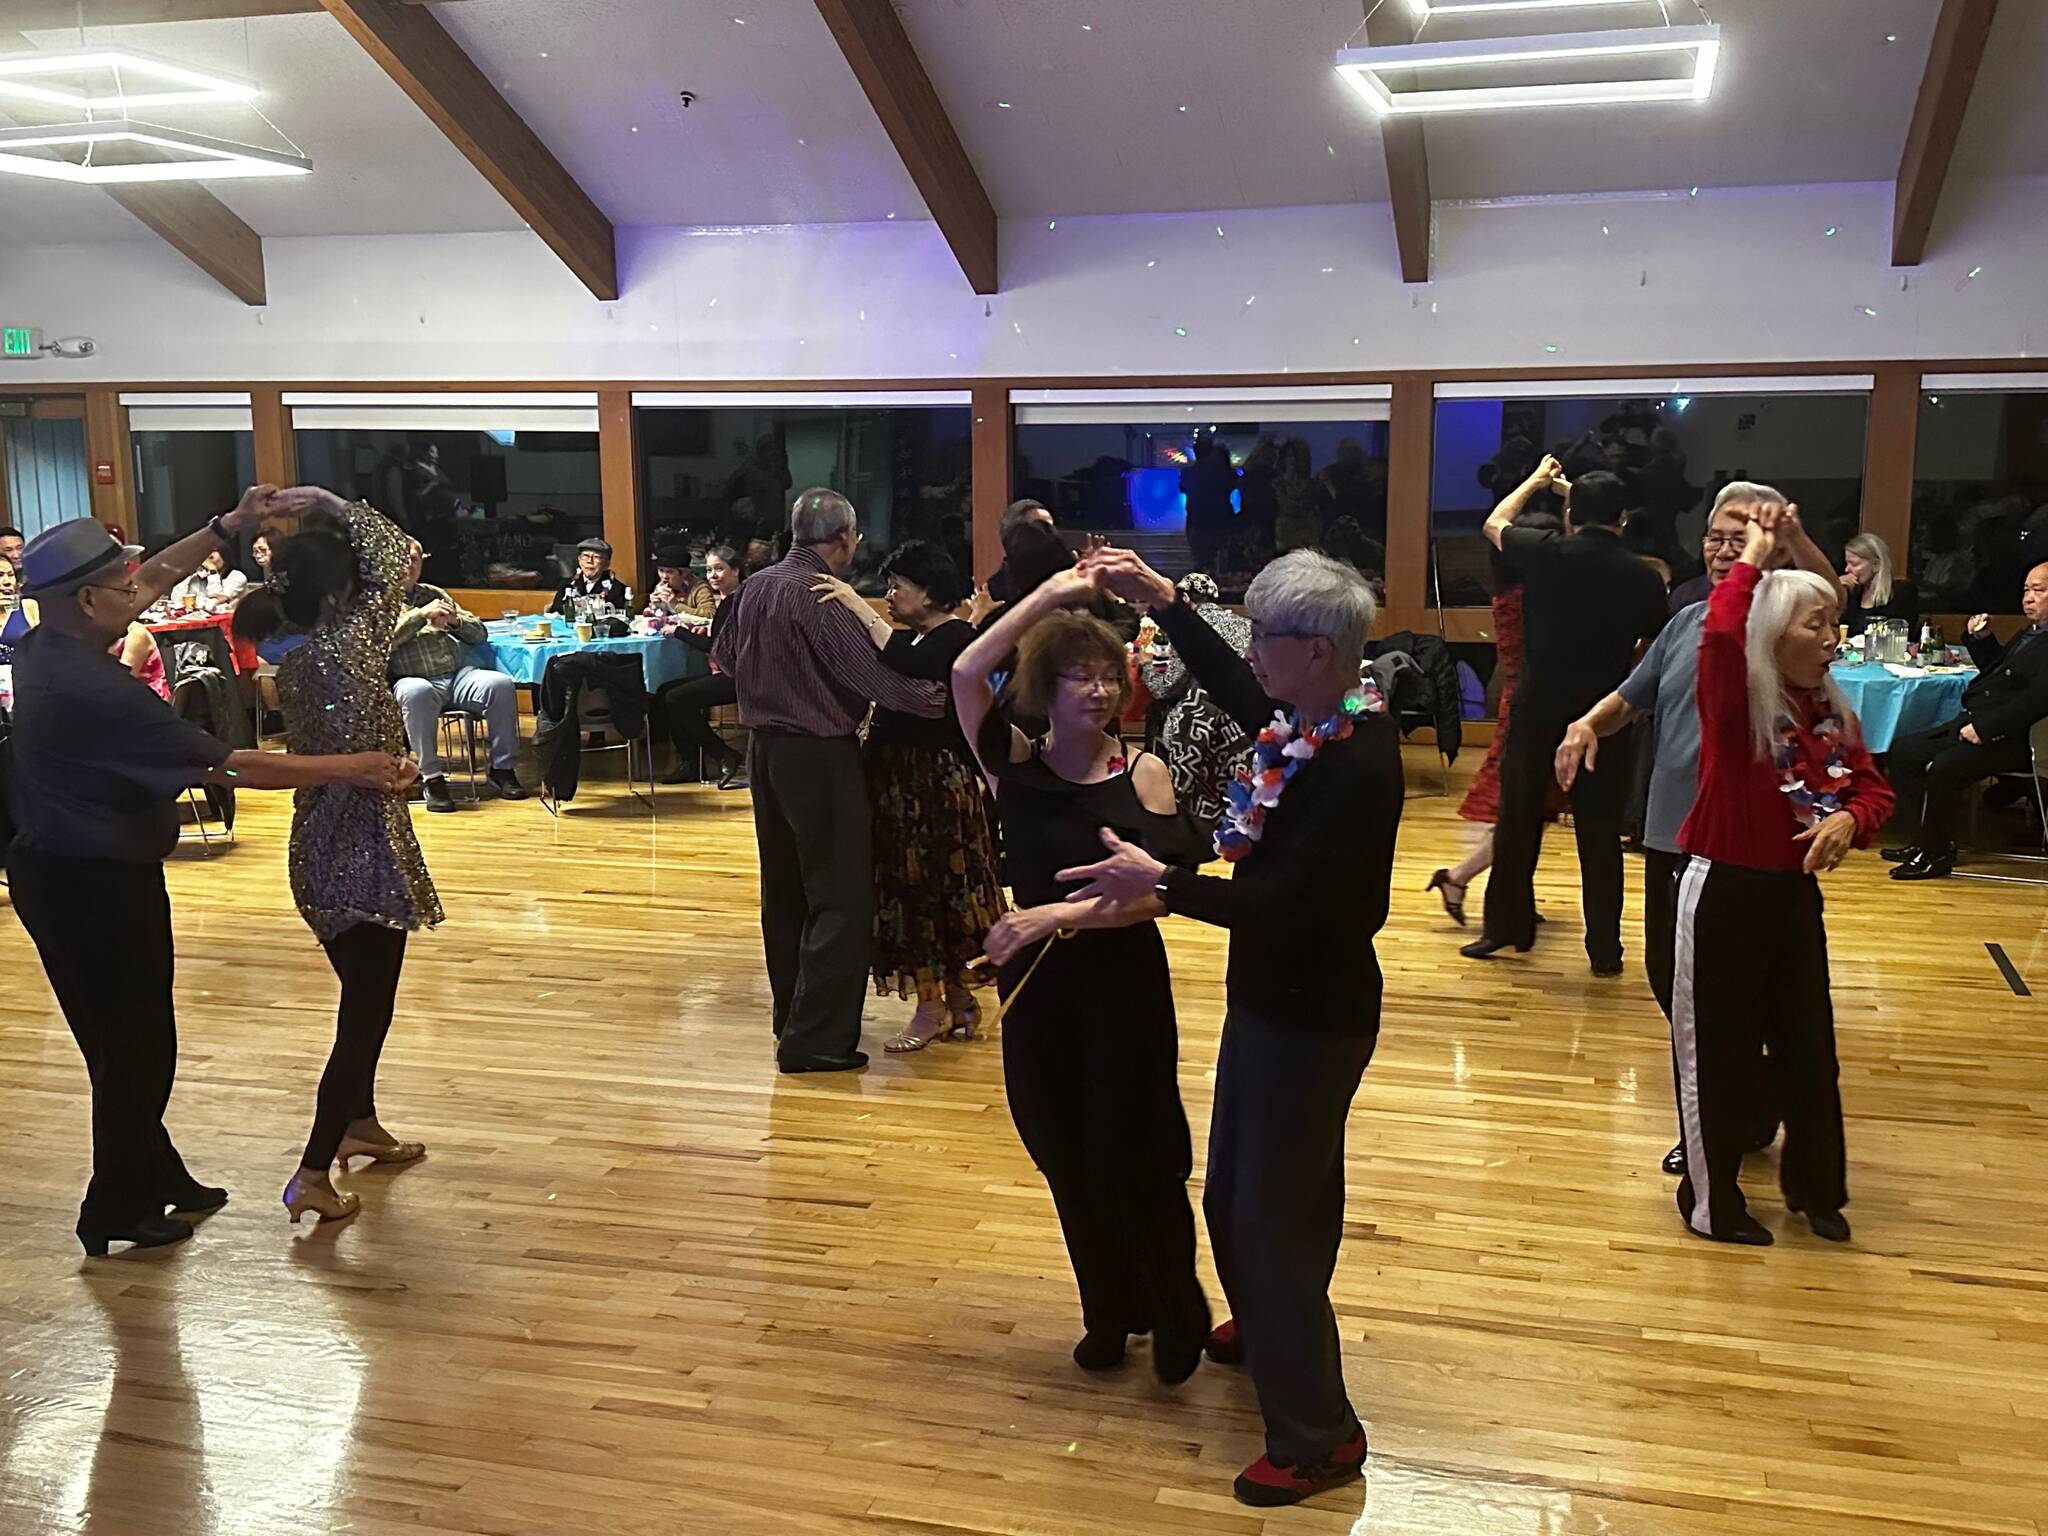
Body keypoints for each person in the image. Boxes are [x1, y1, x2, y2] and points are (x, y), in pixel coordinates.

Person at [1064, 546, 1400, 1509]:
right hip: (1275, 1003)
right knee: (1251, 1200)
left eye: (1269, 636)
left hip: (1313, 1012)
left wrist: (1161, 885)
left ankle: (1320, 1435)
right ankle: (1265, 1327)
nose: (1253, 650)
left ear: (1321, 651)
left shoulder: (1355, 764)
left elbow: (1287, 903)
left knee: (1267, 1220)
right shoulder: (1313, 723)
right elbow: (1229, 682)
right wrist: (1167, 603)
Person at [7, 504, 413, 1255]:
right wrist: (352, 767)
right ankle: (113, 1207)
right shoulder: (101, 693)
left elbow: (154, 578)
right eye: (121, 582)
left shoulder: (39, 643)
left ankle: (157, 1171)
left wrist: (225, 528)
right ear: (91, 602)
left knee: (124, 1040)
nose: (142, 585)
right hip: (86, 883)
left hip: (77, 867)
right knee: (133, 1049)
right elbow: (236, 765)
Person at [954, 565, 1210, 1386]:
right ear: (1045, 687)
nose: (1099, 691)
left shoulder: (1144, 776)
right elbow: (963, 671)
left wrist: (1048, 918)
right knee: (1063, 1151)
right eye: (1080, 677)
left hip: (1123, 982)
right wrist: (1054, 598)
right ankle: (1110, 1309)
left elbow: (1158, 901)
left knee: (1140, 1155)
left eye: (1109, 676)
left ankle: (1177, 1312)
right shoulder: (1017, 768)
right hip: (1039, 990)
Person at [1558, 485, 1838, 1176]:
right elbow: (1633, 696)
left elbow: (1832, 592)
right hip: (1669, 832)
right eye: (1714, 534)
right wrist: (1589, 723)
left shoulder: (1784, 626)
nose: (1722, 547)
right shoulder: (1686, 622)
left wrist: (1791, 543)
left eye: (1738, 534)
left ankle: (1733, 1114)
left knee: (1748, 995)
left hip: (1747, 845)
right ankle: (1725, 1112)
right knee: (1671, 983)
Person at [1666, 503, 1892, 1245]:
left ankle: (1818, 1190)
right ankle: (1709, 1203)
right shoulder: (1737, 701)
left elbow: (1873, 789)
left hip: (1793, 897)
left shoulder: (1826, 710)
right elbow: (1723, 633)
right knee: (1716, 1056)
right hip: (1723, 889)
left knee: (1810, 1047)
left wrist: (1849, 819)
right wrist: (1754, 557)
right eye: (1816, 628)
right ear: (1775, 638)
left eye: (1833, 626)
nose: (1832, 640)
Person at [232, 489, 447, 1227]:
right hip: (353, 849)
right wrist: (328, 499)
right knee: (364, 1014)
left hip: (327, 843)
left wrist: (390, 762)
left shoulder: (298, 663)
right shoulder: (347, 645)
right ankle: (313, 1170)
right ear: (337, 594)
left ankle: (360, 1122)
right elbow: (397, 556)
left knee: (369, 1005)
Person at [711, 488, 946, 1073]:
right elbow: (877, 681)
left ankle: (791, 1017)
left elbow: (724, 657)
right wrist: (946, 697)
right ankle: (816, 1041)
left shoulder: (755, 587)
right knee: (840, 896)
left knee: (785, 892)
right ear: (844, 538)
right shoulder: (821, 595)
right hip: (818, 753)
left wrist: (775, 681)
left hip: (762, 753)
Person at [1463, 459, 1666, 974]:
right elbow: (1649, 645)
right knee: (1598, 834)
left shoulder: (1548, 553)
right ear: (1623, 518)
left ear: (1571, 513)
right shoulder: (1642, 576)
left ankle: (1505, 931)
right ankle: (1605, 951)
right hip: (1603, 718)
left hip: (1538, 708)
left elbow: (1494, 524)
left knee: (1518, 822)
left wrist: (1534, 482)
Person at [815, 539, 1003, 1052]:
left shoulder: (955, 637)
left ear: (930, 593)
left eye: (899, 588)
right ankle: (955, 1000)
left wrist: (857, 604)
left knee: (926, 895)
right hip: (905, 785)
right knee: (921, 894)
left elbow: (903, 661)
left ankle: (933, 1007)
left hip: (931, 790)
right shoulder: (927, 637)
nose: (891, 597)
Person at [1426, 509, 1566, 925]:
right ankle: (1460, 877)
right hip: (1529, 710)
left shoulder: (1513, 590)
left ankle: (1504, 891)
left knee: (1531, 814)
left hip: (1530, 706)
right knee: (1522, 813)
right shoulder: (1529, 599)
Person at [1885, 562, 2048, 881]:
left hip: (2016, 737)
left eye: (2038, 590)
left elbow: (2035, 702)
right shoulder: (2032, 633)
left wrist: (1986, 729)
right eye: (2026, 590)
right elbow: (1998, 675)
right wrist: (1982, 639)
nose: (2028, 598)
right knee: (1904, 752)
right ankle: (1929, 838)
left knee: (1946, 767)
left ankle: (1936, 854)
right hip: (1979, 720)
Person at [388, 538, 529, 812]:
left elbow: (479, 634)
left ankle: (502, 769)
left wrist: (455, 622)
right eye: (403, 558)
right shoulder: (377, 600)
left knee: (499, 684)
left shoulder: (434, 592)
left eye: (415, 558)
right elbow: (382, 642)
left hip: (456, 676)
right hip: (413, 679)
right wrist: (420, 616)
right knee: (415, 691)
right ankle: (431, 778)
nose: (409, 564)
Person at [1139, 572, 1253, 835]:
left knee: (1160, 711)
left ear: (1186, 598)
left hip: (1202, 726)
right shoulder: (1243, 623)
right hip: (1244, 725)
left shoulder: (1192, 628)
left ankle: (1163, 798)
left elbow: (1163, 686)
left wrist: (1146, 665)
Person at [655, 544, 748, 787]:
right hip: (730, 669)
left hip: (741, 675)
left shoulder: (738, 600)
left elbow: (716, 647)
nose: (712, 576)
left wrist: (679, 632)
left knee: (676, 698)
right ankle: (691, 764)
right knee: (666, 691)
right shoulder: (726, 600)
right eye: (708, 570)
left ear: (736, 570)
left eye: (719, 569)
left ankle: (723, 754)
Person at [1840, 532, 1919, 639]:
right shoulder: (1853, 593)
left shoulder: (1901, 592)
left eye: (1854, 564)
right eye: (1847, 563)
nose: (1847, 569)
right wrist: (1838, 591)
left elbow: (1901, 634)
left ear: (1876, 565)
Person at [985, 498, 1057, 605]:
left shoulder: (1063, 576)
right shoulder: (996, 587)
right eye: (1040, 528)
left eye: (1051, 528)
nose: (1049, 534)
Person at [551, 536, 632, 616]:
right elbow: (555, 613)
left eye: (596, 557)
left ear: (607, 564)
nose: (590, 561)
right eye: (585, 556)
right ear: (579, 560)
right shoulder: (566, 585)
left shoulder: (618, 589)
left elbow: (620, 619)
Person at [645, 543, 716, 621]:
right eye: (661, 570)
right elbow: (660, 617)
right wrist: (654, 606)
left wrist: (676, 605)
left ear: (684, 573)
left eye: (670, 571)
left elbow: (710, 614)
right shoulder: (660, 587)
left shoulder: (700, 588)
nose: (664, 576)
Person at [170, 548, 247, 604]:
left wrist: (212, 571)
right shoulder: (197, 576)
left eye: (211, 557)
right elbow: (176, 600)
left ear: (224, 556)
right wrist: (188, 573)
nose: (207, 561)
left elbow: (216, 602)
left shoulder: (236, 577)